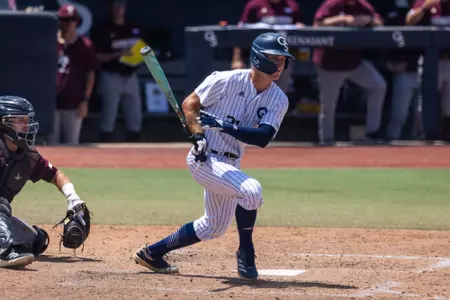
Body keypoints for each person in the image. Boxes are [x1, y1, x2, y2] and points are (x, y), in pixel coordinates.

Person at [134, 32, 293, 280]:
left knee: (213, 227)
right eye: (276, 58)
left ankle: (151, 253)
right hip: (205, 158)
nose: (280, 65)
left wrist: (223, 125)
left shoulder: (278, 99)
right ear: (259, 58)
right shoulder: (225, 80)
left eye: (283, 59)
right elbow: (190, 104)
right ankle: (246, 251)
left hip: (230, 163)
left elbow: (262, 137)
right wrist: (198, 137)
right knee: (251, 190)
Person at [0, 95, 90, 268]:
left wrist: (73, 199)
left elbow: (56, 175)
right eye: (19, 121)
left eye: (27, 120)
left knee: (37, 241)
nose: (26, 126)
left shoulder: (28, 156)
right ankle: (3, 252)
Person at [313, 0, 387, 144]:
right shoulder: (332, 4)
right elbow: (317, 24)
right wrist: (339, 19)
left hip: (354, 63)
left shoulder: (363, 5)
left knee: (378, 86)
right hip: (330, 63)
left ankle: (372, 133)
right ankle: (326, 140)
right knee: (328, 106)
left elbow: (380, 23)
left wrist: (369, 20)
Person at [91, 0, 145, 142]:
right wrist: (119, 54)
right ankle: (105, 152)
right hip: (110, 76)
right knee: (109, 116)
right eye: (116, 5)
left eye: (122, 5)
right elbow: (96, 57)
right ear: (111, 8)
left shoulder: (133, 27)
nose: (119, 9)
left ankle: (136, 153)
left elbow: (144, 49)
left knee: (135, 116)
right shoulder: (103, 29)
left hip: (131, 75)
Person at [50, 3, 99, 145]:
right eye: (65, 20)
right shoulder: (50, 42)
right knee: (52, 147)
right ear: (59, 21)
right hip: (52, 103)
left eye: (72, 20)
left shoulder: (85, 45)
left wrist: (85, 100)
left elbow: (90, 74)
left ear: (77, 21)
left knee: (72, 146)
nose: (69, 24)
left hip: (74, 103)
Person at [232, 0, 304, 93]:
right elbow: (240, 33)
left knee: (280, 93)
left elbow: (301, 29)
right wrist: (237, 58)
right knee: (256, 90)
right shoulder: (255, 5)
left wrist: (300, 27)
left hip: (283, 56)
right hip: (261, 55)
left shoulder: (292, 5)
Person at [406, 0, 450, 140]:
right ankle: (422, 134)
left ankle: (446, 134)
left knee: (449, 103)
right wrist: (425, 7)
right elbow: (409, 21)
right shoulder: (426, 2)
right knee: (425, 100)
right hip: (432, 60)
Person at [378, 0, 422, 140]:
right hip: (403, 70)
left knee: (420, 118)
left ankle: (422, 152)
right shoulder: (391, 7)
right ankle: (392, 144)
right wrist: (386, 62)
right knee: (399, 116)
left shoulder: (427, 6)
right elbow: (381, 38)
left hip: (426, 69)